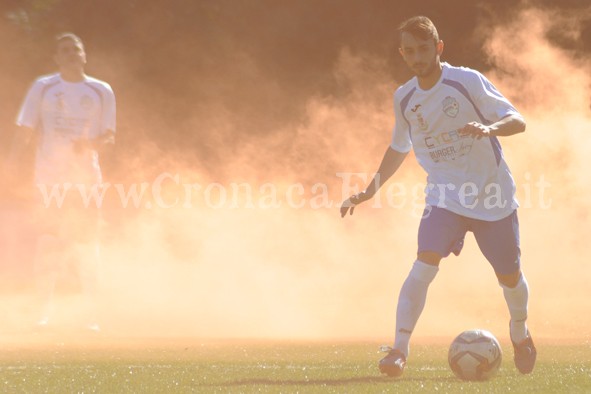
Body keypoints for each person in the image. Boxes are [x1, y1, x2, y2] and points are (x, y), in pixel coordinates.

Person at [340, 16, 536, 377]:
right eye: (409, 51)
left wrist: (489, 128)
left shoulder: (466, 81)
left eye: (423, 49)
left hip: (492, 196)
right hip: (444, 197)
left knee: (509, 276)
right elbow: (399, 147)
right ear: (402, 54)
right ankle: (398, 350)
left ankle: (520, 332)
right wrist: (370, 190)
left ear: (438, 47)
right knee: (424, 263)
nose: (417, 57)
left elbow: (517, 120)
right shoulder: (404, 97)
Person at [6, 32, 116, 331]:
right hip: (50, 180)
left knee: (87, 245)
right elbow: (25, 129)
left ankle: (92, 316)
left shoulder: (101, 90)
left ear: (84, 55)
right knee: (48, 243)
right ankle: (43, 313)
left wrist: (91, 145)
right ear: (56, 58)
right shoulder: (43, 87)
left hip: (86, 182)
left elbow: (109, 135)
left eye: (75, 49)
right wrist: (11, 165)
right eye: (64, 50)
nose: (70, 53)